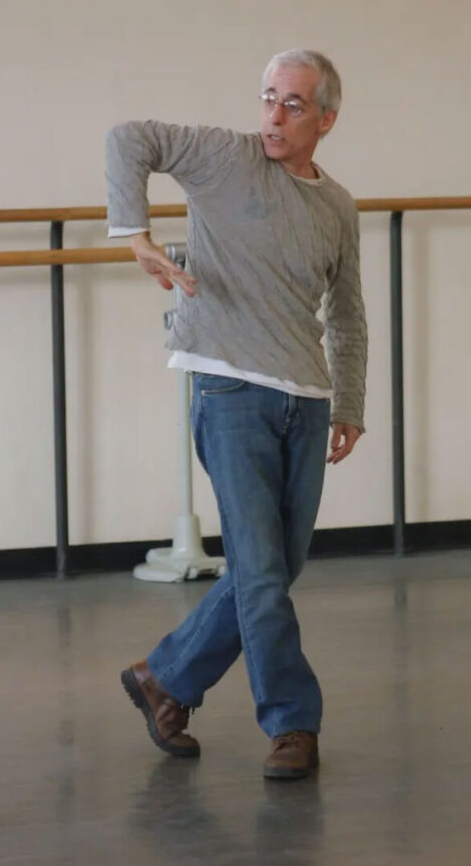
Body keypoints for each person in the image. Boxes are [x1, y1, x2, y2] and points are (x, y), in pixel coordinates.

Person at [105, 49, 368, 779]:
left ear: (326, 118)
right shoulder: (226, 156)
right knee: (257, 569)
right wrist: (134, 237)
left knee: (273, 567)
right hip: (229, 389)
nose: (273, 115)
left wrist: (349, 400)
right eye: (267, 98)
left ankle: (164, 678)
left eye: (292, 104)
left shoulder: (337, 205)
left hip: (307, 402)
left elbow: (346, 311)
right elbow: (129, 138)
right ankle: (292, 721)